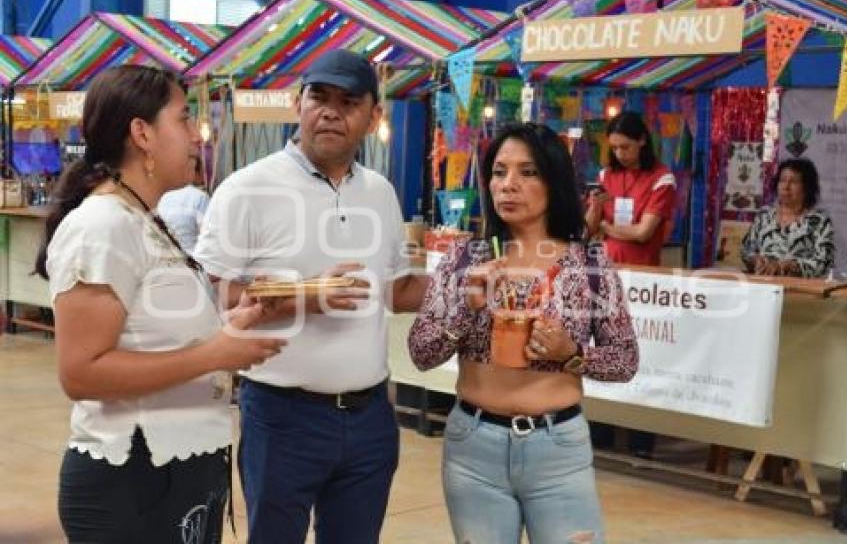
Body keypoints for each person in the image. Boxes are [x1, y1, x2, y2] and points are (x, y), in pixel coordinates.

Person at [34, 65, 284, 543]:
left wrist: (234, 321)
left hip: (179, 470)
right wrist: (216, 355)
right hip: (133, 481)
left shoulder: (144, 219)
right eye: (185, 118)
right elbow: (81, 372)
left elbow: (154, 333)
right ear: (142, 134)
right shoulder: (103, 226)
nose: (197, 135)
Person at [194, 49, 428, 544]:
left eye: (348, 101)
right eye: (318, 96)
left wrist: (474, 280)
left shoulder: (380, 193)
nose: (330, 111)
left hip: (368, 419)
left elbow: (396, 289)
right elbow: (222, 304)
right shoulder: (246, 189)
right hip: (282, 417)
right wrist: (306, 295)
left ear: (373, 117)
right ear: (297, 103)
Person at [408, 123, 639, 544]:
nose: (508, 185)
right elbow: (422, 352)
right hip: (473, 448)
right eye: (499, 172)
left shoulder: (587, 263)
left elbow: (625, 360)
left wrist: (572, 353)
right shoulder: (467, 256)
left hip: (558, 449)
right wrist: (466, 306)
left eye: (527, 172)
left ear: (554, 181)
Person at [584, 110, 676, 459]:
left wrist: (605, 228)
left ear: (642, 141)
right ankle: (602, 432)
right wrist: (595, 211)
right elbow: (589, 228)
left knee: (642, 355)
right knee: (602, 350)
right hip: (607, 275)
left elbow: (643, 233)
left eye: (625, 146)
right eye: (614, 148)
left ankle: (641, 441)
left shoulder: (661, 179)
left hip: (644, 279)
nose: (619, 154)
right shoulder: (606, 175)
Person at [741, 157, 834, 277]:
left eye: (794, 182)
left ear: (807, 187)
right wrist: (755, 260)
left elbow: (823, 263)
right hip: (763, 286)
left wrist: (788, 267)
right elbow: (746, 250)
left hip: (800, 291)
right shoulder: (764, 216)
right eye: (782, 180)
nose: (786, 186)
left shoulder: (819, 221)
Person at [158, 157, 210, 252]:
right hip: (192, 260)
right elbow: (208, 236)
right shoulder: (199, 197)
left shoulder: (162, 197)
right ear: (195, 172)